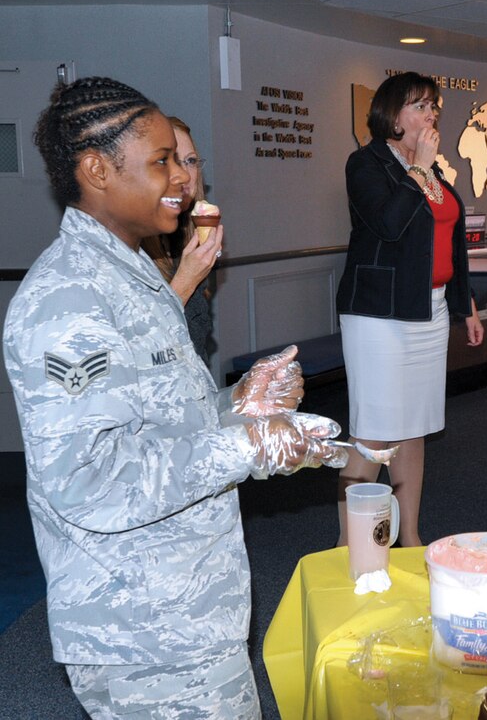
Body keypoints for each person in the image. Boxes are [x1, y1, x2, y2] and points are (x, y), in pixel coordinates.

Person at [2, 77, 348, 719]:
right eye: (160, 160)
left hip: (189, 607)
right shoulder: (70, 300)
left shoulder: (132, 274)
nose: (181, 179)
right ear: (96, 169)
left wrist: (240, 404)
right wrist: (247, 444)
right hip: (142, 632)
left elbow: (158, 423)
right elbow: (91, 479)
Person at [335, 71, 483, 548]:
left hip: (429, 310)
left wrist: (467, 306)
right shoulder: (367, 163)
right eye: (420, 106)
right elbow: (390, 224)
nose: (432, 114)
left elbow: (449, 244)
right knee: (376, 435)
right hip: (379, 316)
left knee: (414, 431)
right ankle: (349, 547)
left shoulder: (433, 170)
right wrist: (419, 166)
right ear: (391, 115)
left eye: (434, 106)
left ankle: (410, 538)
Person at [141, 116, 223, 363]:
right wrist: (186, 280)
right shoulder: (130, 244)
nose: (184, 174)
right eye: (170, 161)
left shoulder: (186, 233)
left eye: (190, 161)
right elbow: (143, 346)